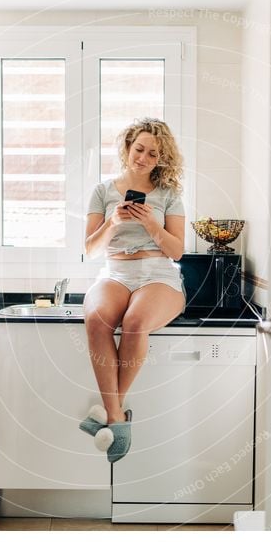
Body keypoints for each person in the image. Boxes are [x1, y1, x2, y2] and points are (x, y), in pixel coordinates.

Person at [78, 118, 186, 463]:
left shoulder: (169, 195)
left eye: (153, 154)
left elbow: (177, 251)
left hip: (158, 273)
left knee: (136, 321)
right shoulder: (103, 190)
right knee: (97, 319)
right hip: (115, 270)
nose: (143, 157)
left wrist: (151, 223)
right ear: (127, 148)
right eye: (139, 149)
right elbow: (91, 249)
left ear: (161, 159)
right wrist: (115, 221)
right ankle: (117, 417)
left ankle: (112, 417)